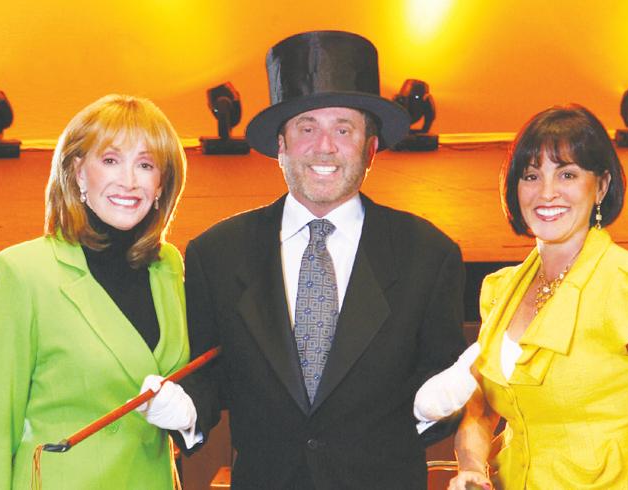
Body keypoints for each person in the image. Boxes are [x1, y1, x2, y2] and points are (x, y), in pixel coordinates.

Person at [140, 30, 467, 489]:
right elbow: (210, 379)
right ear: (281, 145)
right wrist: (185, 408)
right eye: (307, 128)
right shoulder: (217, 254)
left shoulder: (428, 256)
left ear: (370, 149)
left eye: (343, 129)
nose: (324, 146)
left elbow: (442, 381)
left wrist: (434, 406)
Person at [414, 104, 628, 490]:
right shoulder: (499, 290)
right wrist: (473, 467)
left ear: (601, 186)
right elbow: (483, 408)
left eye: (567, 174)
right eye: (531, 175)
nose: (546, 192)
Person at [0, 94, 189, 489]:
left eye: (145, 164)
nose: (129, 180)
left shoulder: (167, 264)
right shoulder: (20, 272)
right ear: (78, 173)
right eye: (111, 160)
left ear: (161, 185)